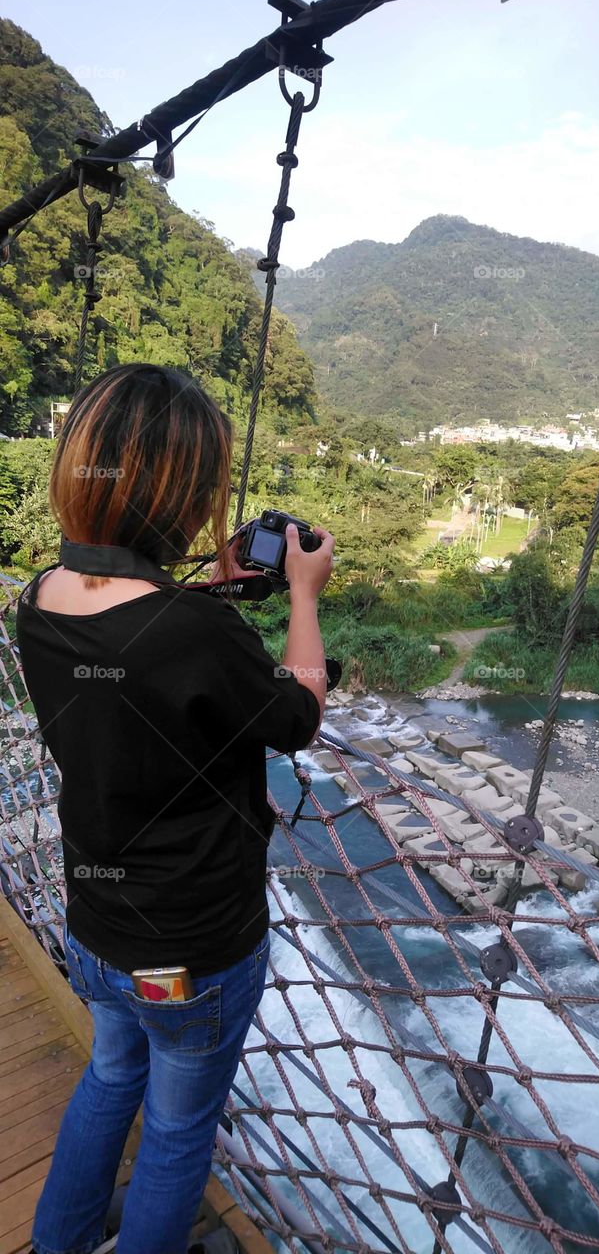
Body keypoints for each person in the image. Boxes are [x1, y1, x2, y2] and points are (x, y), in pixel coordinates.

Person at [16, 363, 335, 1254]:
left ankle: (59, 1242)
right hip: (192, 946)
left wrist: (214, 592)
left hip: (98, 921)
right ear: (188, 493)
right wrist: (300, 597)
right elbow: (298, 713)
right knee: (178, 1130)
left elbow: (136, 658)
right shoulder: (197, 633)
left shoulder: (35, 598)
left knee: (110, 1077)